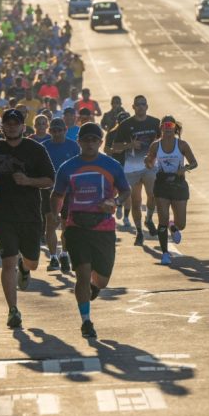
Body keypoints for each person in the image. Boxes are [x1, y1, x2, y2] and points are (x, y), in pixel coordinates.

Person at [0, 108, 55, 329]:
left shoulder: (35, 150)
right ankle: (13, 310)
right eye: (7, 123)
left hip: (30, 215)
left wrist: (28, 181)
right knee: (7, 262)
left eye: (15, 123)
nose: (11, 126)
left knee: (33, 261)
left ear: (23, 126)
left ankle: (26, 267)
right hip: (3, 216)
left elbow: (50, 179)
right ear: (2, 126)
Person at [50, 123, 130, 339]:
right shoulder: (67, 167)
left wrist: (114, 201)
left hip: (104, 228)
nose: (90, 144)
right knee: (82, 275)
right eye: (86, 140)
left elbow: (125, 191)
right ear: (79, 142)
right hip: (77, 227)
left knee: (102, 280)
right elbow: (57, 195)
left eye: (94, 140)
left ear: (100, 142)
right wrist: (56, 217)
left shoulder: (111, 165)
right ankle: (86, 322)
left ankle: (93, 290)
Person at [144, 116, 198, 264]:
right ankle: (165, 254)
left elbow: (194, 163)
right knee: (162, 220)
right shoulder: (155, 146)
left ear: (174, 127)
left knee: (181, 224)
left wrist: (185, 168)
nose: (168, 127)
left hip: (178, 185)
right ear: (161, 128)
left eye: (170, 124)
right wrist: (147, 162)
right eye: (165, 125)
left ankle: (173, 227)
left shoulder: (182, 145)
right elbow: (150, 165)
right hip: (162, 184)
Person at [111, 95, 161, 246]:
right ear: (133, 107)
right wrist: (129, 145)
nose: (140, 107)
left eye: (143, 104)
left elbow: (164, 142)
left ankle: (149, 219)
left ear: (147, 106)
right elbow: (115, 147)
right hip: (132, 168)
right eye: (138, 104)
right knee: (136, 201)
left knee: (152, 195)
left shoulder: (155, 123)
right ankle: (139, 231)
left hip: (150, 166)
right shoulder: (126, 125)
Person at [41, 117, 80, 273]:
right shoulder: (44, 147)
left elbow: (80, 167)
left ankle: (64, 254)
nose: (57, 133)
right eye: (54, 130)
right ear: (49, 131)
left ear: (65, 130)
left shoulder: (74, 146)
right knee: (50, 223)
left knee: (66, 225)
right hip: (48, 191)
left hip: (69, 192)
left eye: (60, 130)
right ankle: (53, 257)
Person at [103, 110, 131, 226]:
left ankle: (126, 217)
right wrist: (115, 150)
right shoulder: (111, 133)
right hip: (116, 165)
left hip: (130, 165)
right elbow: (106, 149)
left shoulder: (133, 133)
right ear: (117, 122)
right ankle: (116, 205)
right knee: (113, 191)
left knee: (128, 191)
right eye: (122, 122)